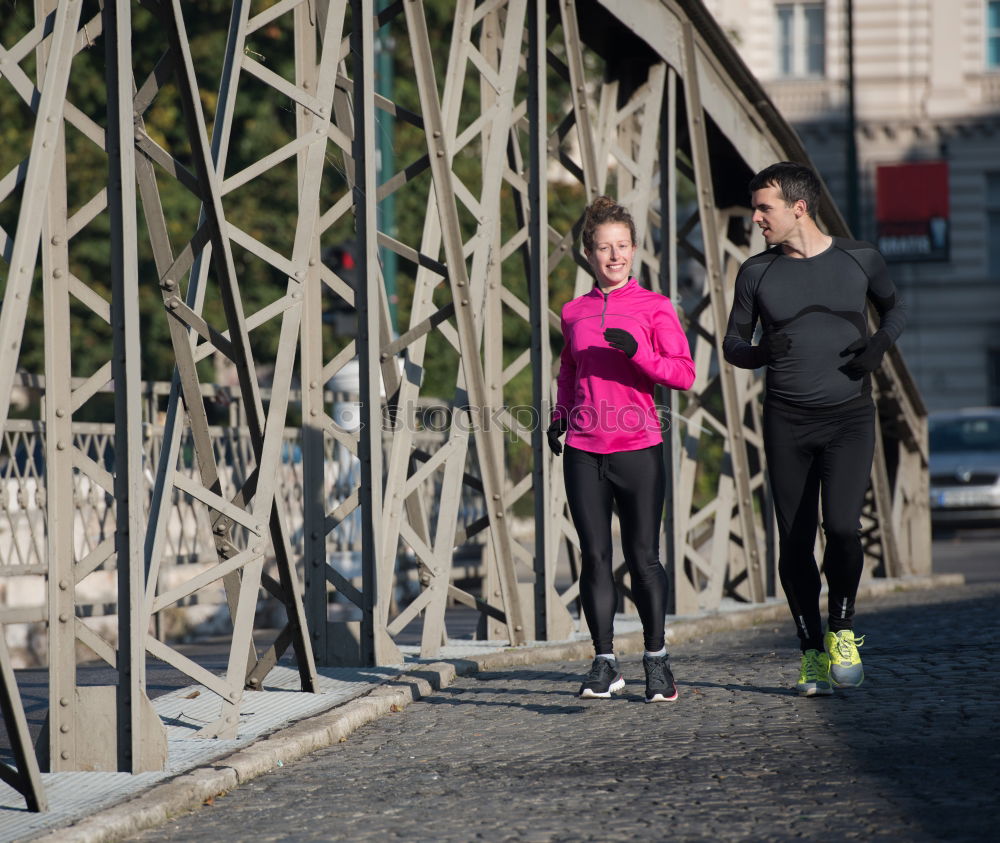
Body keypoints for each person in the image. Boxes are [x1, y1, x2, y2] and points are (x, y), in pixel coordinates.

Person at [723, 162, 906, 696]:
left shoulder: (860, 258)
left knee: (845, 530)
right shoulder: (756, 272)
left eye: (765, 208)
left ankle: (842, 628)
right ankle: (810, 654)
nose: (756, 218)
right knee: (796, 540)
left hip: (850, 417)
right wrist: (760, 352)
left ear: (799, 207)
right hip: (786, 422)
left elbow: (895, 310)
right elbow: (732, 345)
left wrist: (878, 347)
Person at [546, 196, 695, 702]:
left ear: (633, 249)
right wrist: (560, 415)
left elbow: (684, 373)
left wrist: (642, 354)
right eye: (605, 248)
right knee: (593, 557)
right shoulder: (574, 312)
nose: (615, 257)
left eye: (623, 247)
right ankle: (605, 662)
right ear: (588, 253)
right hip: (585, 449)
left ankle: (657, 663)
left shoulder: (654, 307)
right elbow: (570, 368)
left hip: (637, 446)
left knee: (643, 558)